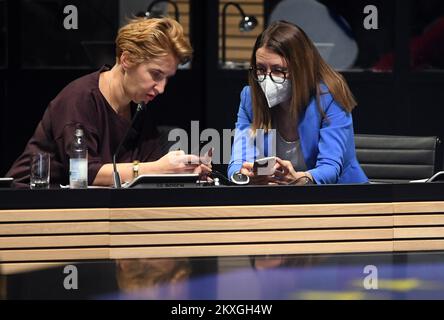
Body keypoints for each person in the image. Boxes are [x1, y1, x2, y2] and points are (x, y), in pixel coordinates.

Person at [6, 17, 210, 187]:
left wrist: (183, 172)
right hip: (31, 207)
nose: (161, 87)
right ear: (127, 59)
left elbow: (150, 171)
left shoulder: (138, 107)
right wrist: (157, 168)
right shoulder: (80, 99)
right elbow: (84, 174)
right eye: (156, 74)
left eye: (167, 78)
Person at [228, 21, 368, 185]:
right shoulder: (250, 99)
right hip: (278, 201)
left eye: (278, 70)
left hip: (341, 199)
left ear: (301, 68)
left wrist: (299, 179)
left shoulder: (329, 96)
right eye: (260, 69)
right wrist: (244, 175)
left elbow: (330, 168)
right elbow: (238, 161)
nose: (267, 78)